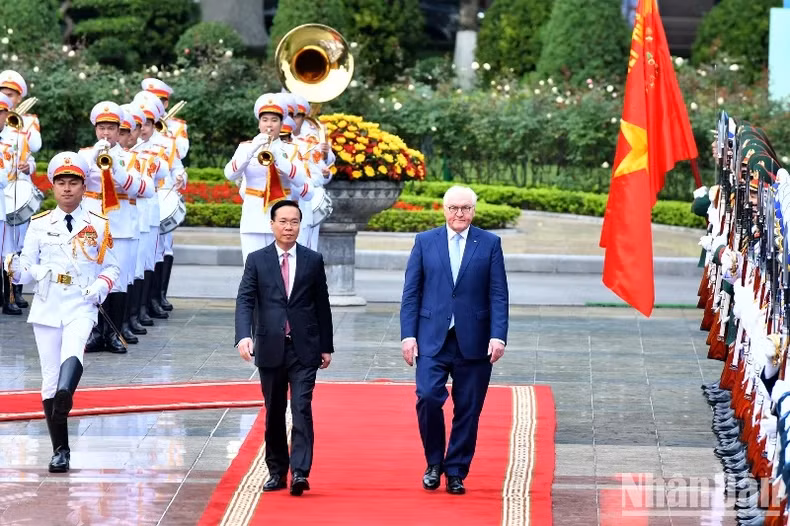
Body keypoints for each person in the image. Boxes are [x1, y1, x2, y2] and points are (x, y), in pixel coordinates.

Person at [6, 151, 120, 472]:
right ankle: (60, 449)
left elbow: (112, 267)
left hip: (81, 303)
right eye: (61, 183)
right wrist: (15, 270)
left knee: (74, 351)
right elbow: (25, 269)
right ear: (53, 187)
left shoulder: (97, 223)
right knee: (48, 378)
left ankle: (66, 395)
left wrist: (100, 287)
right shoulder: (40, 224)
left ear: (84, 187)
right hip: (47, 303)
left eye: (74, 183)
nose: (67, 189)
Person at [400, 185, 509, 495]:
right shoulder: (425, 241)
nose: (459, 214)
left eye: (465, 208)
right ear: (443, 209)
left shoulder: (489, 243)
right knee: (428, 397)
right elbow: (411, 292)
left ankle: (456, 470)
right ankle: (434, 462)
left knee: (469, 409)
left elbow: (498, 293)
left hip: (474, 340)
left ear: (473, 211)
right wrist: (408, 335)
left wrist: (498, 336)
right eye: (453, 208)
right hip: (431, 337)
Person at [234, 199, 334, 496]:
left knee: (302, 408)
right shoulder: (257, 259)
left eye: (294, 222)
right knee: (274, 411)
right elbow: (245, 300)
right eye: (283, 221)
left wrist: (326, 346)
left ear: (300, 225)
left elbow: (322, 305)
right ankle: (277, 471)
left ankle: (300, 473)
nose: (289, 227)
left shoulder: (313, 260)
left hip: (305, 347)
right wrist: (243, 336)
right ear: (272, 224)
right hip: (269, 346)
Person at [78, 101, 146, 353]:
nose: (106, 133)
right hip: (92, 223)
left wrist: (114, 167)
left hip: (121, 226)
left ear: (119, 131)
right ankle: (94, 333)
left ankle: (115, 333)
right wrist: (93, 160)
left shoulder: (130, 158)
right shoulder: (85, 155)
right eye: (101, 128)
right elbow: (72, 183)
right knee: (92, 278)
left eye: (111, 128)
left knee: (118, 282)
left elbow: (142, 189)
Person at [224, 93, 313, 262]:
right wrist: (252, 150)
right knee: (253, 270)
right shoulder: (246, 148)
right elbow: (230, 174)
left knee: (281, 270)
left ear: (281, 124)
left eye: (274, 120)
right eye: (265, 120)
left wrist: (279, 158)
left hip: (281, 217)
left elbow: (301, 180)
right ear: (259, 123)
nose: (269, 125)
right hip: (254, 216)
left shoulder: (291, 150)